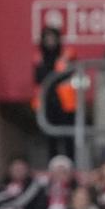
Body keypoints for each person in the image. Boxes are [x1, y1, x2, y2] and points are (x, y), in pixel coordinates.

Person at [33, 26, 76, 159]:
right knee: (51, 138)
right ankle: (53, 165)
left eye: (52, 38)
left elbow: (69, 74)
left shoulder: (67, 55)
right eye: (47, 38)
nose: (50, 41)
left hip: (66, 104)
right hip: (47, 103)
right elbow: (38, 78)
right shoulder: (38, 58)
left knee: (69, 138)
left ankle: (71, 164)